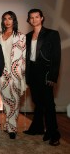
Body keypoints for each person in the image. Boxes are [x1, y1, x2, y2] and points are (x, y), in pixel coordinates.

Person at [24, 9, 61, 146]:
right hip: (32, 72)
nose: (34, 19)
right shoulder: (27, 36)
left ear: (42, 18)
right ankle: (37, 128)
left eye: (36, 17)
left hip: (45, 73)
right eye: (31, 17)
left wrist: (53, 76)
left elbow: (56, 57)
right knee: (37, 102)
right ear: (29, 20)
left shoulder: (52, 34)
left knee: (49, 104)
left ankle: (53, 133)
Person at [0, 11, 26, 139]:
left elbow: (23, 57)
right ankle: (8, 124)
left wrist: (21, 74)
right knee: (6, 100)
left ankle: (12, 128)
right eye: (5, 19)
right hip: (1, 72)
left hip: (15, 72)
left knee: (15, 100)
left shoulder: (21, 36)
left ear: (14, 20)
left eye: (10, 18)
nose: (7, 21)